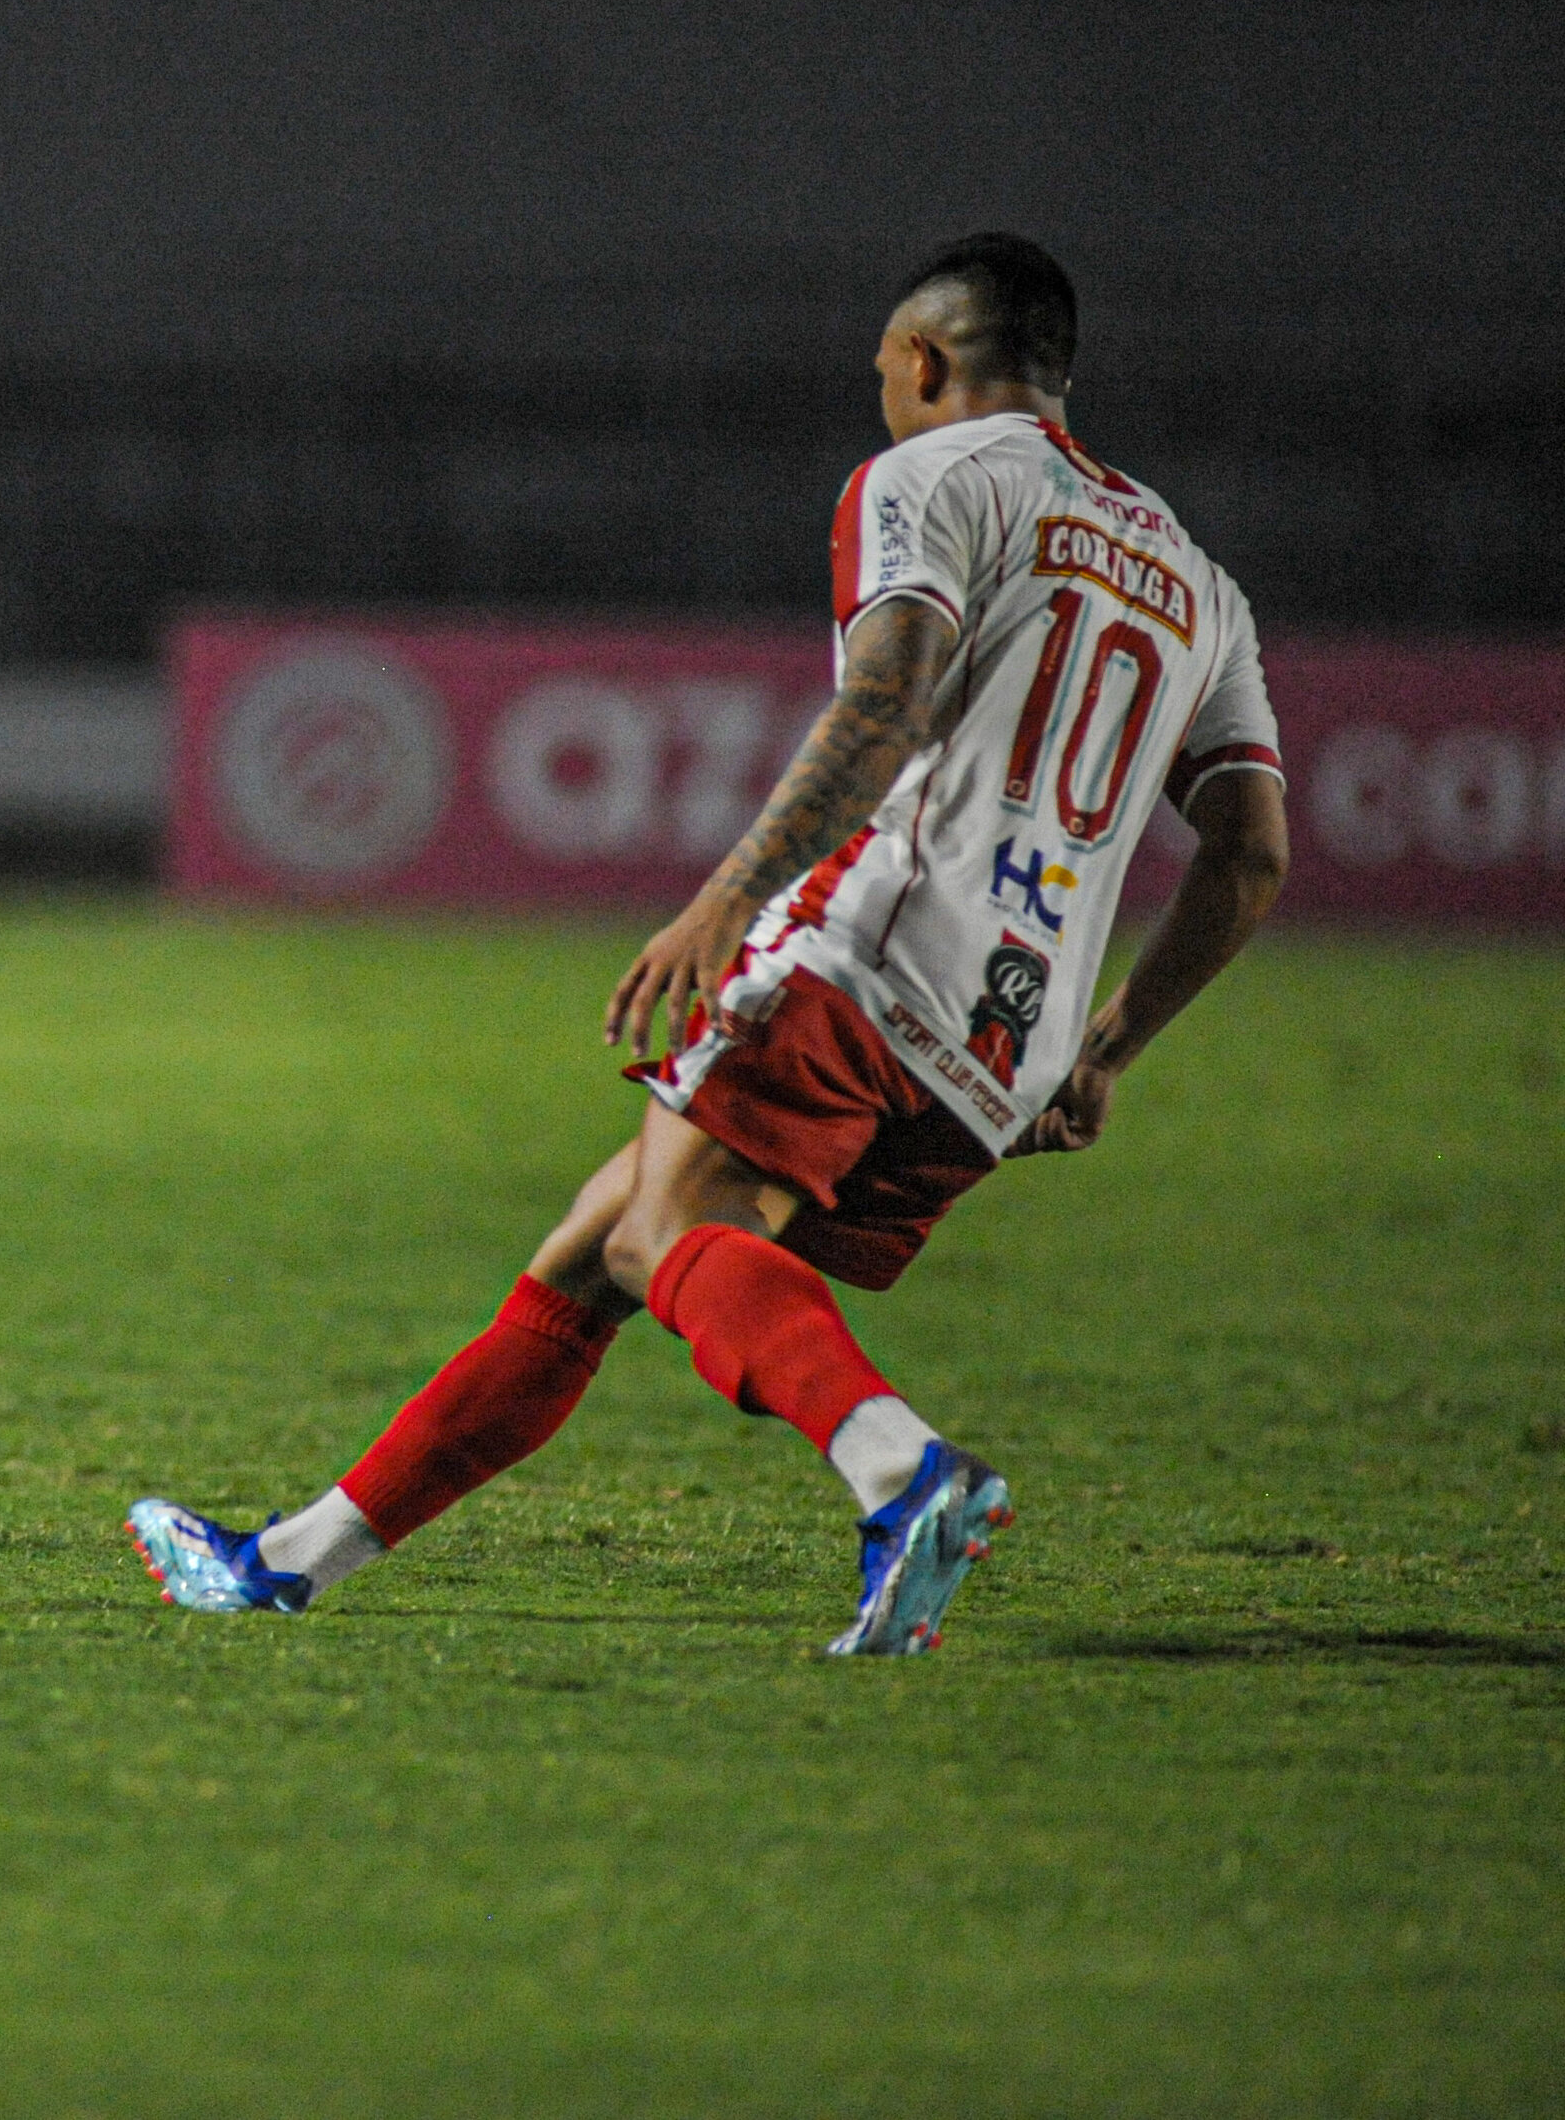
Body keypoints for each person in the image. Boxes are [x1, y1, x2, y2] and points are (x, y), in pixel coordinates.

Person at [131, 234, 1291, 1655]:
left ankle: (901, 1472)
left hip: (872, 947)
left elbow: (887, 703)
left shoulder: (929, 479)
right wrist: (1108, 1046)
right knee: (598, 1248)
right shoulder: (1197, 580)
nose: (885, 398)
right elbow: (1251, 854)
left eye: (886, 373)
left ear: (926, 360)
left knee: (677, 1228)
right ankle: (286, 1562)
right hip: (1014, 1041)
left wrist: (734, 897)